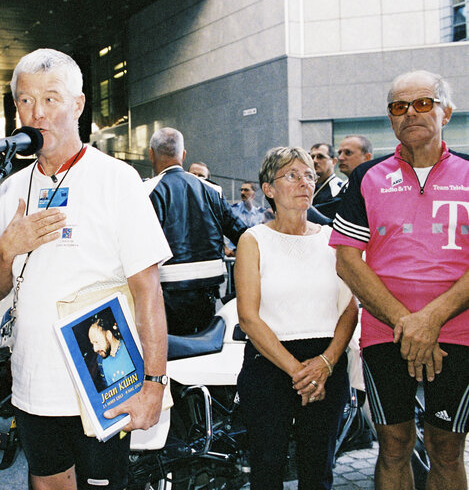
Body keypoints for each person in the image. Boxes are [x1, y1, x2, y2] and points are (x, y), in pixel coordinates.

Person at [0, 48, 171, 490]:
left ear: (79, 105)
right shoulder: (9, 190)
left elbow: (148, 290)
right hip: (33, 386)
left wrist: (154, 384)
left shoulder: (117, 179)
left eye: (51, 99)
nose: (37, 113)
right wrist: (6, 251)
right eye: (25, 101)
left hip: (104, 378)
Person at [331, 70, 469, 490]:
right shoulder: (366, 177)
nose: (410, 113)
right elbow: (348, 262)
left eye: (423, 103)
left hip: (458, 332)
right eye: (398, 106)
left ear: (447, 111)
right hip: (385, 333)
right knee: (393, 444)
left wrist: (431, 319)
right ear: (390, 118)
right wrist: (407, 323)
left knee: (446, 447)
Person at [235, 146, 358, 489]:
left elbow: (349, 308)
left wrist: (326, 363)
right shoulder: (254, 240)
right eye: (292, 175)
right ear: (269, 189)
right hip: (270, 364)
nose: (304, 182)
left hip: (326, 363)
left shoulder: (332, 239)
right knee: (267, 469)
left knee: (318, 471)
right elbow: (248, 317)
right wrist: (299, 372)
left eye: (308, 175)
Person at [145, 127, 246, 335]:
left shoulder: (147, 191)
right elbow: (243, 234)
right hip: (208, 292)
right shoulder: (213, 191)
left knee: (170, 354)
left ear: (151, 154)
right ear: (183, 155)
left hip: (165, 292)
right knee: (203, 351)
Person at [88, 314, 135, 389]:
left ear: (109, 335)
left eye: (96, 342)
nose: (95, 349)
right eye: (93, 344)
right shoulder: (104, 364)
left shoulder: (131, 349)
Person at [310, 142, 344, 218]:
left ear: (334, 161)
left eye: (320, 157)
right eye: (312, 157)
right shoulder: (306, 186)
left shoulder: (338, 188)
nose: (314, 161)